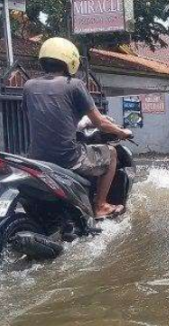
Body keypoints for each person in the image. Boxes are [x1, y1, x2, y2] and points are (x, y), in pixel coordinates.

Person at [23, 37, 132, 219]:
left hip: (36, 158)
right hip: (68, 158)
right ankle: (101, 205)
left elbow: (49, 116)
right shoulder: (74, 85)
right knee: (112, 153)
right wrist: (122, 132)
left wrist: (80, 123)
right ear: (70, 61)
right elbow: (101, 123)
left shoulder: (28, 86)